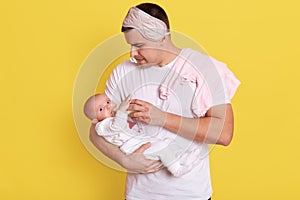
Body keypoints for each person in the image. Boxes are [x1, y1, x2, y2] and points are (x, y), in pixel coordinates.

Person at [89, 3, 240, 200]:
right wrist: (124, 160)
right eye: (130, 45)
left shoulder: (202, 68)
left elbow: (224, 133)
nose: (132, 54)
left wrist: (162, 118)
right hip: (139, 195)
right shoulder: (122, 72)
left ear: (161, 36)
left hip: (191, 194)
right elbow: (97, 130)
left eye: (139, 45)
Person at [84, 93, 205, 177]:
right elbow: (117, 126)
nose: (108, 106)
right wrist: (121, 111)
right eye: (101, 109)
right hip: (133, 148)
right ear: (95, 120)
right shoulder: (102, 126)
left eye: (108, 102)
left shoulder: (113, 117)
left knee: (166, 143)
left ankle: (183, 159)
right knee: (162, 148)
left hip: (140, 141)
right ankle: (177, 170)